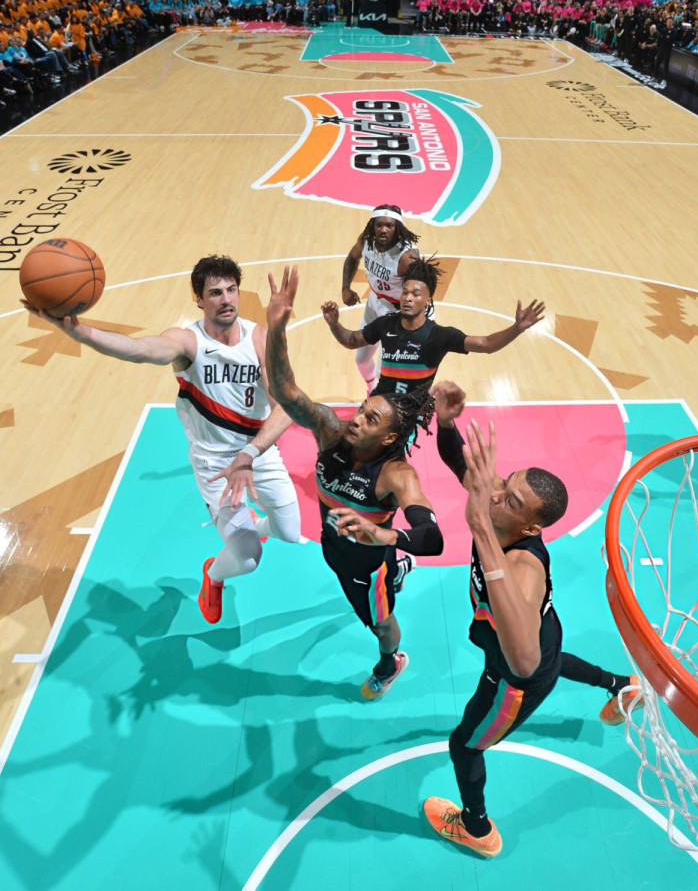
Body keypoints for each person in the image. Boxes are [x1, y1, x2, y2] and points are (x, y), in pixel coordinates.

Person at [422, 382, 643, 858]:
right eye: (506, 482)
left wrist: (480, 528)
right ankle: (621, 685)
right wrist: (446, 422)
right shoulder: (498, 504)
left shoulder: (522, 567)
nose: (496, 493)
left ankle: (478, 829)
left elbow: (522, 663)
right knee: (554, 657)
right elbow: (460, 463)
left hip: (514, 678)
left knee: (465, 745)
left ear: (531, 527)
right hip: (545, 633)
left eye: (510, 499)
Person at [21, 254, 301, 625]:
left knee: (290, 532)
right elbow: (139, 349)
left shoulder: (261, 338)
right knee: (248, 559)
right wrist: (82, 333)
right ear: (199, 299)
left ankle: (252, 527)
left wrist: (250, 453)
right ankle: (214, 575)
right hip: (216, 466)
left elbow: (286, 408)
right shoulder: (187, 343)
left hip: (257, 454)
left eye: (231, 289)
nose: (226, 299)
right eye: (215, 292)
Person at [264, 265, 444, 699]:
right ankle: (399, 567)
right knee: (352, 569)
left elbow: (433, 538)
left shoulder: (397, 474)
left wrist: (383, 535)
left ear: (389, 437)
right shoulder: (331, 432)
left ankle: (390, 662)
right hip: (333, 547)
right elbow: (285, 391)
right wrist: (277, 329)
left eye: (370, 419)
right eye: (363, 410)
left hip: (368, 567)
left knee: (381, 624)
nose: (357, 419)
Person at [323, 256, 545, 396]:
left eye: (416, 294)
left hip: (407, 416)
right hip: (379, 406)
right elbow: (351, 340)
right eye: (405, 292)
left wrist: (517, 328)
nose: (408, 298)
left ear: (428, 300)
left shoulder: (438, 336)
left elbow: (486, 344)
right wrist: (334, 324)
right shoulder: (385, 324)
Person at [341, 204, 421, 392]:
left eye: (389, 225)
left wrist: (407, 323)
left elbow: (420, 292)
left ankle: (385, 400)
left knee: (384, 372)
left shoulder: (407, 257)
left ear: (397, 228)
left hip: (399, 314)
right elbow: (352, 258)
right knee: (361, 360)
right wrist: (345, 288)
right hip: (375, 303)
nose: (383, 230)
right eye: (379, 225)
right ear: (373, 225)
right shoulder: (366, 240)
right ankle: (371, 389)